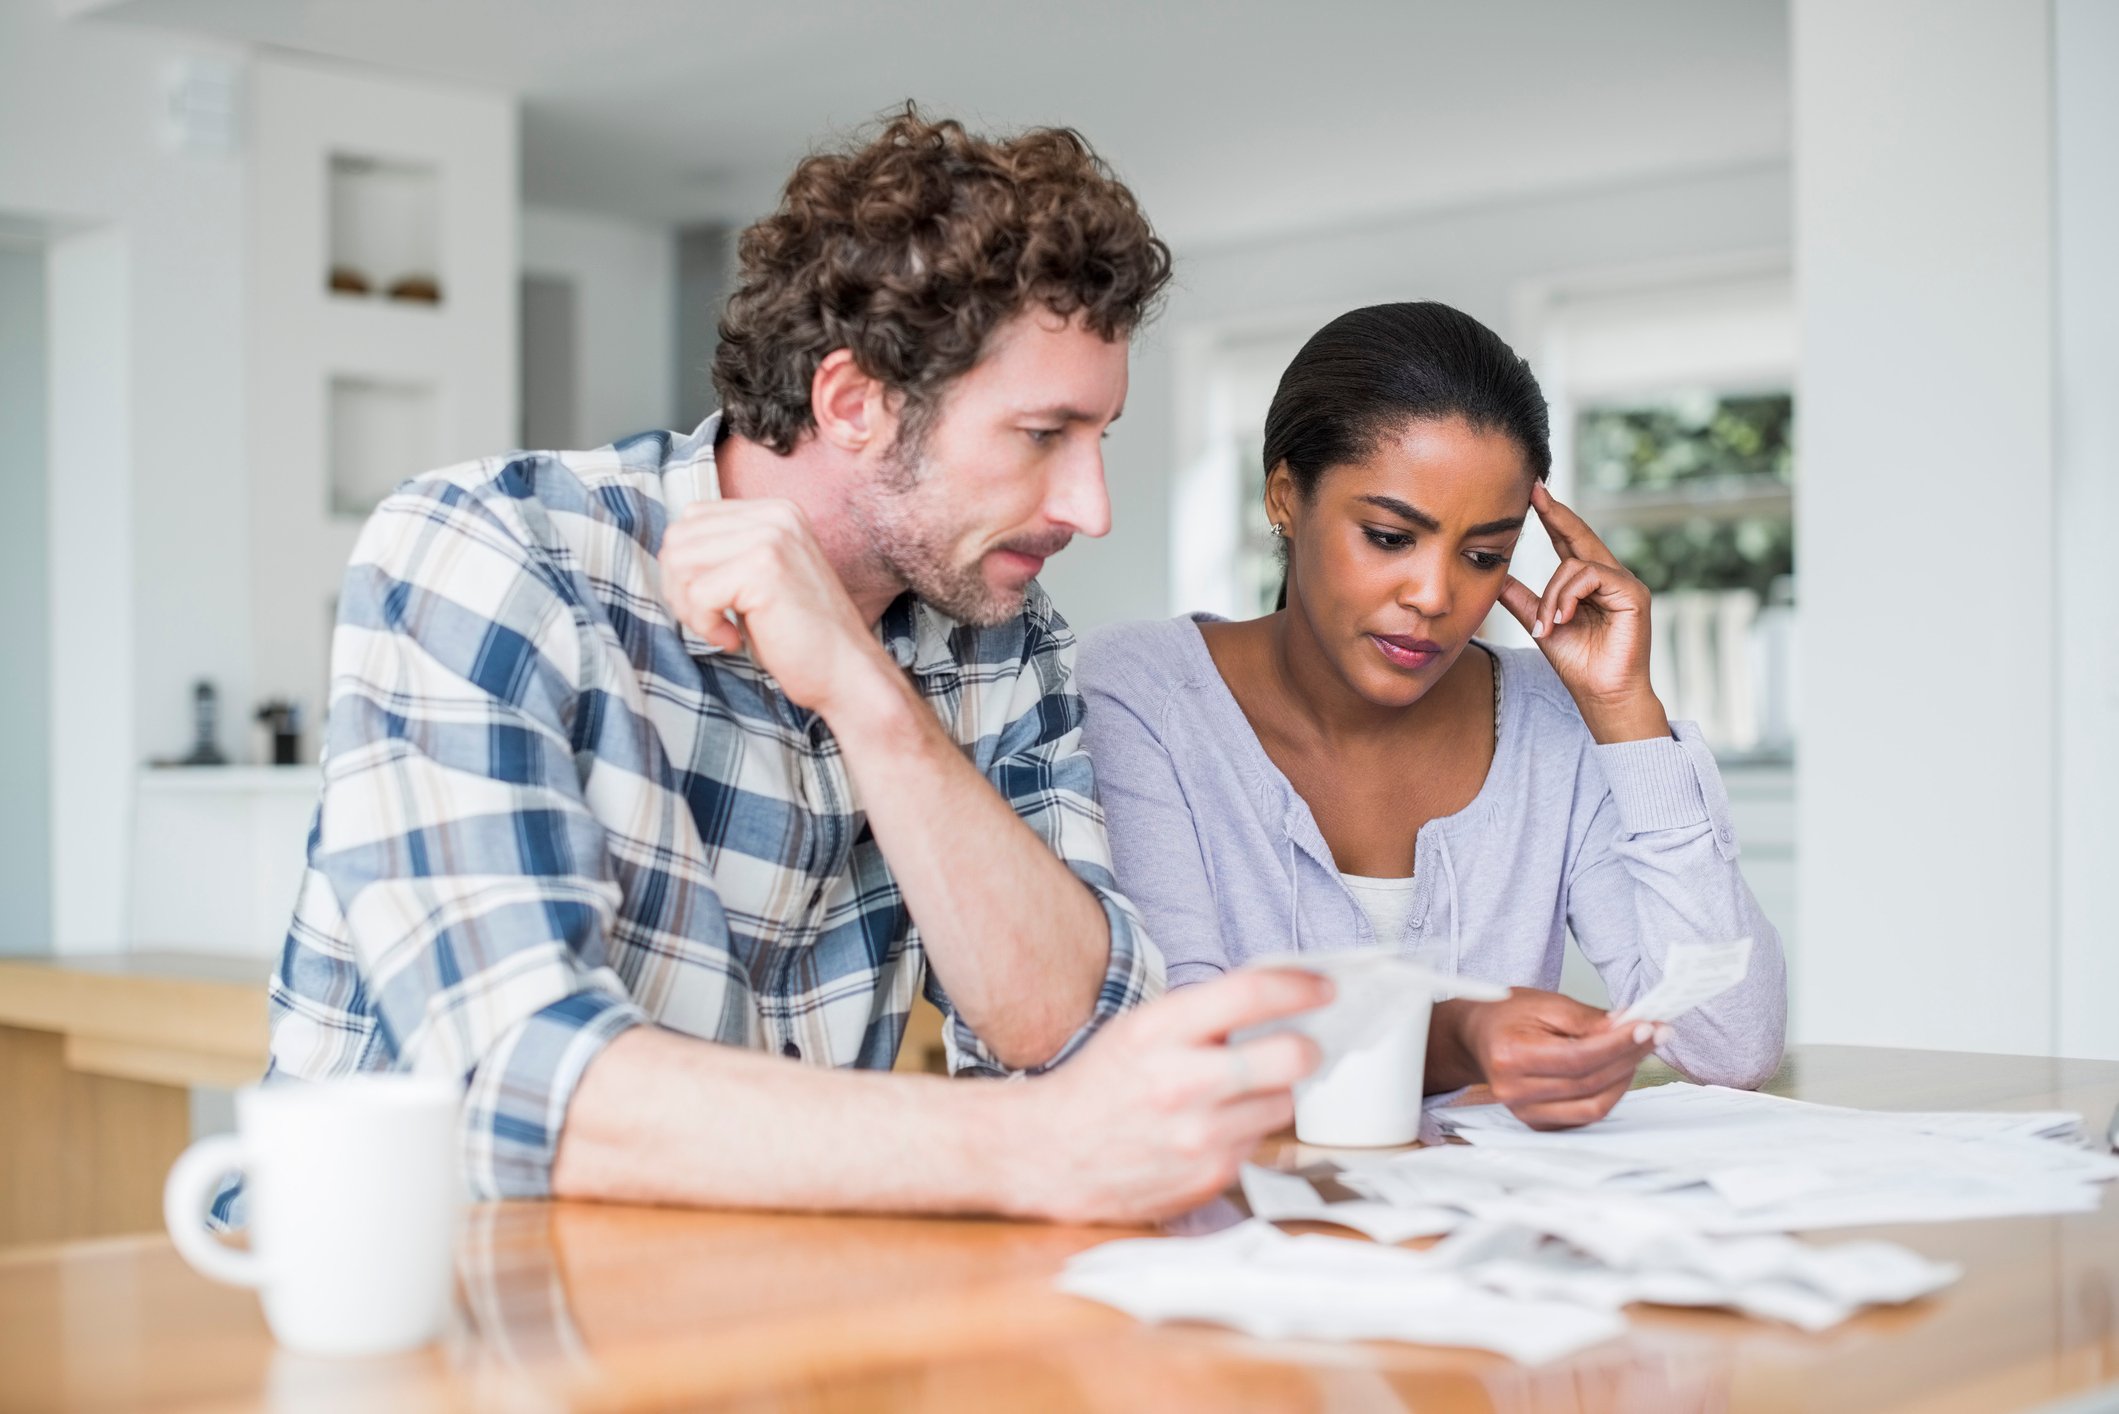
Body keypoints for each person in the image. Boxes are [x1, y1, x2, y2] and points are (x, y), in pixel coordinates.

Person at [218, 108, 1327, 1229]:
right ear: (851, 402)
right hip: (417, 1308)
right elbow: (517, 1081)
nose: (1088, 508)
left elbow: (1070, 1032)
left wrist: (866, 695)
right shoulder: (493, 551)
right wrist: (1023, 1150)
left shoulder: (1001, 630)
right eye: (1042, 434)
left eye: (1101, 438)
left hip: (748, 1310)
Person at [1079, 301, 1785, 1131]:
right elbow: (1172, 1049)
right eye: (1386, 537)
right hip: (1230, 1243)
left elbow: (1730, 1045)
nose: (1435, 596)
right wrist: (1449, 1037)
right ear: (1283, 497)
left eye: (1484, 556)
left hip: (1489, 1244)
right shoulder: (1143, 695)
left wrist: (1623, 712)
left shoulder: (1549, 721)